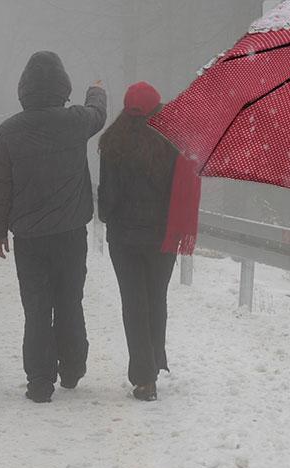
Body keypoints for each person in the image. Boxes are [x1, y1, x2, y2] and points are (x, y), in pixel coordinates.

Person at [0, 51, 106, 403]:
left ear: (23, 89)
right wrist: (95, 89)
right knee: (70, 299)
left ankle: (39, 381)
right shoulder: (75, 121)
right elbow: (98, 112)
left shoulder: (8, 131)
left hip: (29, 237)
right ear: (62, 87)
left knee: (36, 306)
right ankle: (72, 367)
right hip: (71, 233)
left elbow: (0, 184)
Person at [97, 81, 200, 401]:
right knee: (156, 299)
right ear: (158, 108)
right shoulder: (173, 141)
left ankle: (144, 378)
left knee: (134, 303)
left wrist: (106, 212)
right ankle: (152, 364)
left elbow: (108, 198)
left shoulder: (113, 142)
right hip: (161, 236)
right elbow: (180, 190)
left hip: (124, 239)